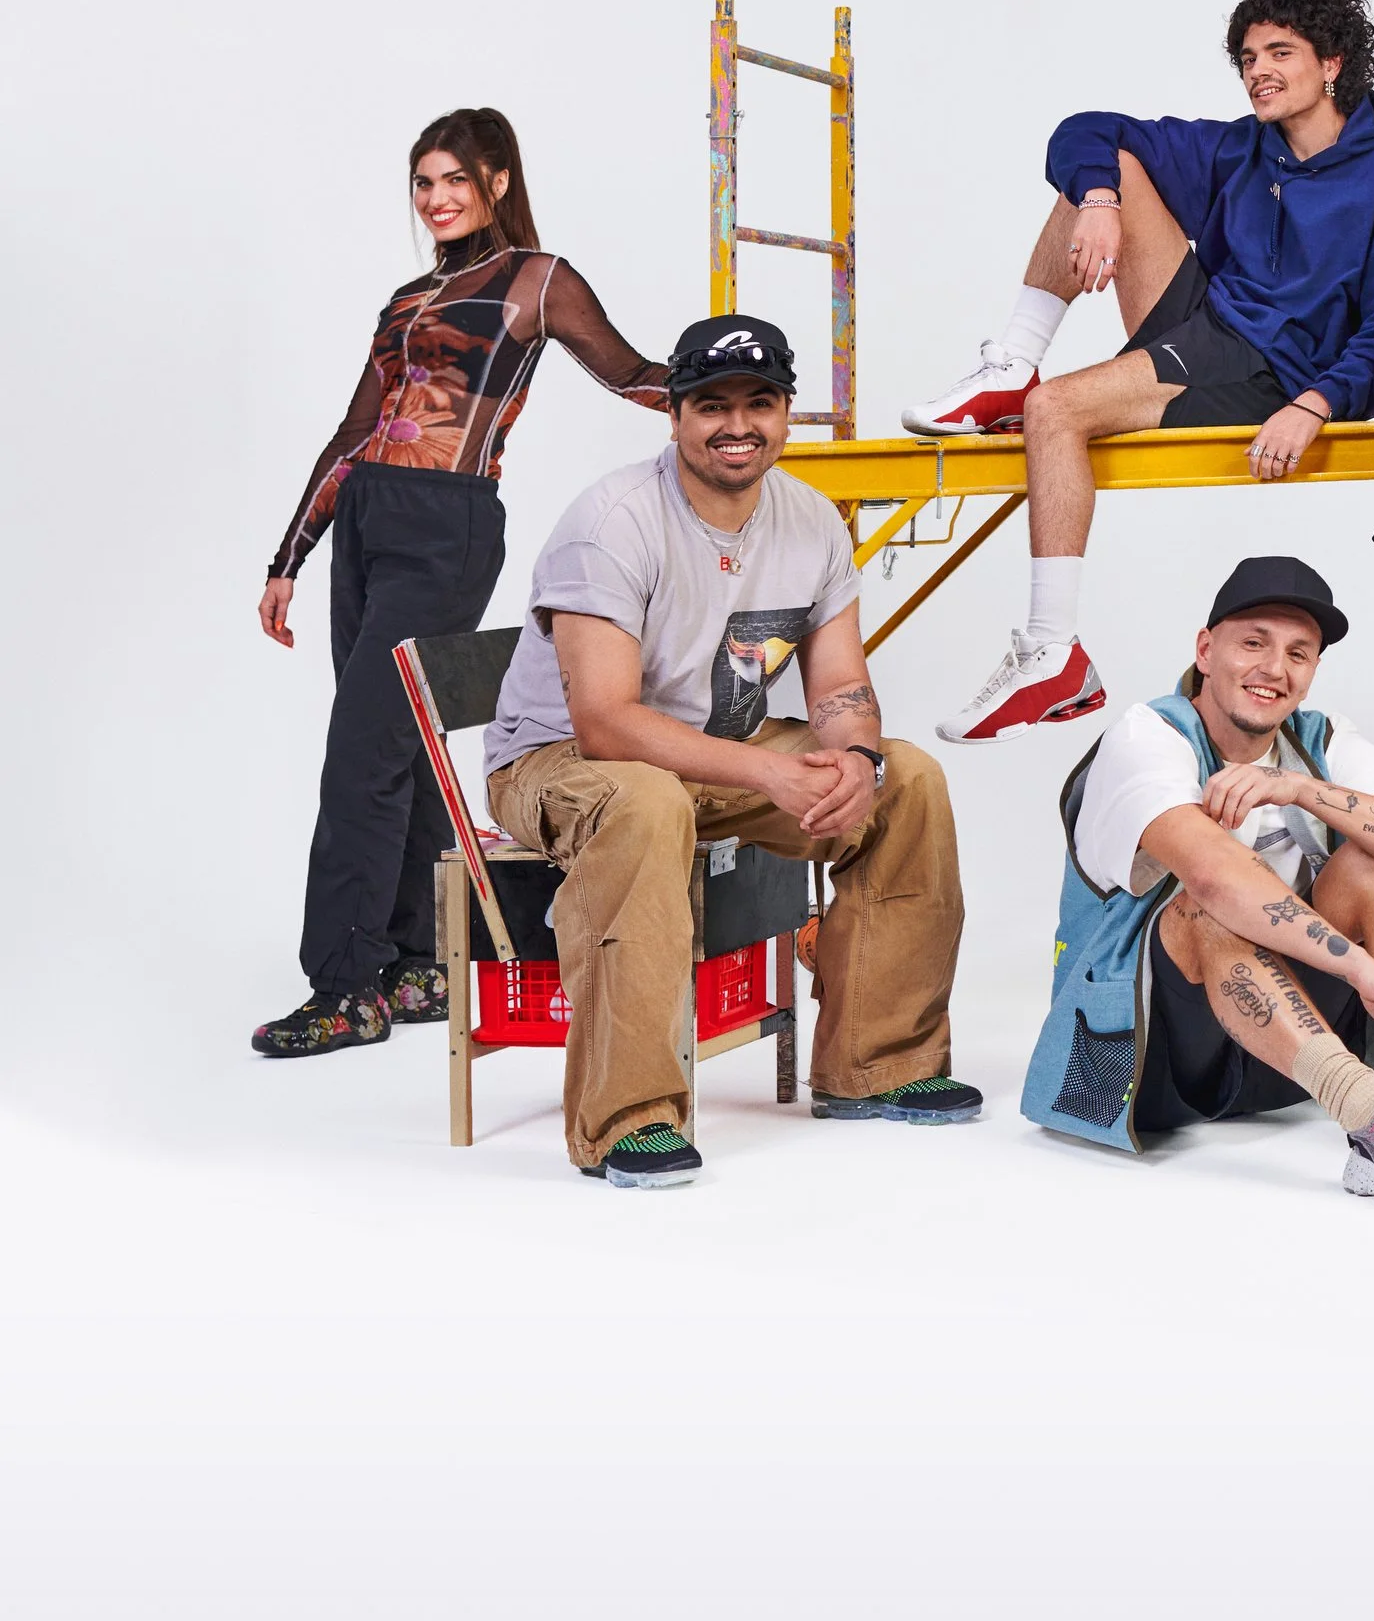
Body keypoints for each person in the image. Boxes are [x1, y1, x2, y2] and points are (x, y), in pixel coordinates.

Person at [482, 313, 980, 1186]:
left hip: (715, 749)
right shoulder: (614, 520)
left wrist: (856, 762)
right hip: (558, 762)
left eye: (760, 402)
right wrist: (769, 771)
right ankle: (627, 1119)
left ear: (787, 413)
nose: (737, 424)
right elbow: (604, 721)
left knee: (910, 781)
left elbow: (837, 686)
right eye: (711, 404)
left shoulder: (812, 522)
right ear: (674, 416)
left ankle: (878, 1065)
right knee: (644, 801)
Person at [906, 0, 1374, 743]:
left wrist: (1314, 404)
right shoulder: (1240, 150)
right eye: (1249, 57)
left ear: (1333, 64)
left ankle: (1053, 652)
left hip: (1270, 374)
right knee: (1107, 165)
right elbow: (1084, 126)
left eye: (1280, 53)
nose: (1259, 70)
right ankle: (1014, 359)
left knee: (1054, 412)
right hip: (1206, 326)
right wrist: (1098, 203)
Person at [252, 110, 668, 1060]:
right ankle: (417, 964)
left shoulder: (538, 282)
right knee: (391, 744)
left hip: (449, 523)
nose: (436, 199)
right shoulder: (404, 300)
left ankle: (345, 987)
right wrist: (289, 560)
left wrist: (731, 383)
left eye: (455, 180)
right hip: (365, 519)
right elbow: (351, 438)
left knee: (360, 749)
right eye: (422, 183)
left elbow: (631, 374)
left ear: (498, 182)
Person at [1022, 556, 1374, 1203]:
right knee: (1203, 906)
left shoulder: (1319, 740)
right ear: (1205, 650)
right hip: (1154, 1061)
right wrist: (1360, 969)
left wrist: (1302, 789)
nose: (1275, 668)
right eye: (1253, 643)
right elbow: (1216, 879)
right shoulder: (1149, 736)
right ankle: (1373, 1122)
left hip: (1285, 1049)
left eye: (1299, 653)